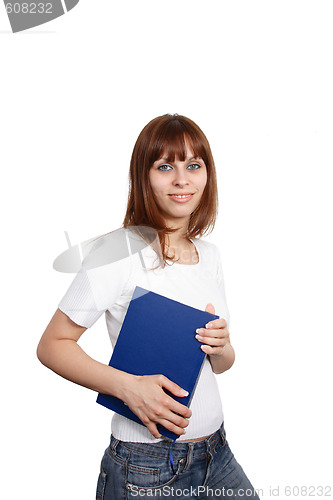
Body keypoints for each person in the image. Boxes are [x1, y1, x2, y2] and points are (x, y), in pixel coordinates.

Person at [37, 114, 259, 499]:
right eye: (165, 166)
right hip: (147, 466)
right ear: (144, 176)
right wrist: (127, 387)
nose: (181, 179)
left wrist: (222, 347)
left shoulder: (210, 256)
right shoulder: (115, 253)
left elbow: (220, 365)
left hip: (216, 453)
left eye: (193, 165)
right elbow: (52, 345)